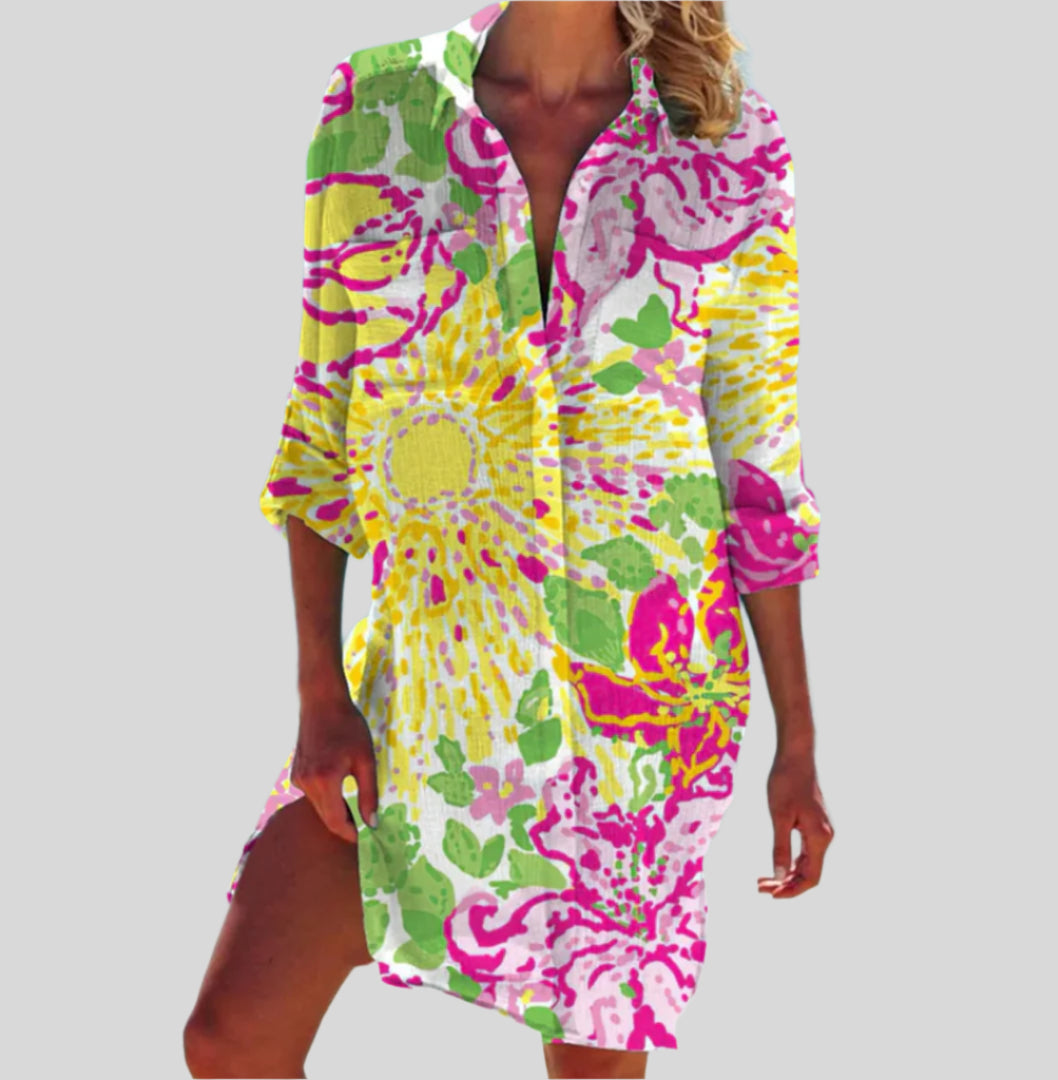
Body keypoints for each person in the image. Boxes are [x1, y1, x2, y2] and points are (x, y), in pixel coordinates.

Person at [183, 2, 834, 1077]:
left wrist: (797, 741)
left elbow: (757, 463)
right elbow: (322, 425)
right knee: (231, 1037)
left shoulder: (726, 138)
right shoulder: (377, 110)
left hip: (639, 714)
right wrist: (318, 691)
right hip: (428, 684)